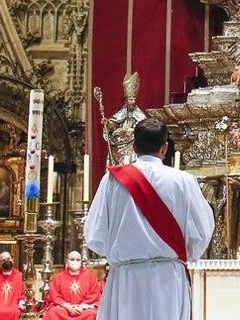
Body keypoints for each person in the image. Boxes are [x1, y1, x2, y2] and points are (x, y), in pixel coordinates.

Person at [85, 118, 215, 320]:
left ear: (134, 147)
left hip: (126, 279)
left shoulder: (112, 181)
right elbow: (202, 231)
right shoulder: (183, 181)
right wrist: (183, 255)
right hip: (168, 279)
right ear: (165, 148)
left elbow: (95, 234)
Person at [102, 72, 146, 166]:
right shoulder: (121, 112)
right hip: (119, 142)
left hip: (132, 142)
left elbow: (144, 127)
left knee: (132, 155)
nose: (133, 101)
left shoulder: (139, 114)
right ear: (126, 100)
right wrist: (107, 123)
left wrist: (133, 131)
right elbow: (113, 124)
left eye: (134, 99)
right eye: (131, 99)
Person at [43, 251, 101, 320]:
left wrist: (81, 307)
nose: (75, 261)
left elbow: (94, 294)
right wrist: (67, 306)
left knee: (91, 314)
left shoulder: (90, 276)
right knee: (52, 313)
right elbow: (54, 295)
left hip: (83, 310)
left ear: (81, 262)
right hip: (65, 309)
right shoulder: (59, 277)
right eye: (72, 259)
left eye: (78, 260)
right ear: (67, 261)